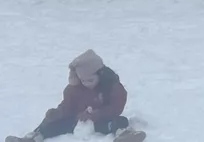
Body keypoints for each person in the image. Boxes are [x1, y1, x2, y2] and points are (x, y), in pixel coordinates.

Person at [5, 50, 145, 142]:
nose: (86, 84)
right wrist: (57, 113)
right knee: (53, 122)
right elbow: (67, 106)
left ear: (100, 74)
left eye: (90, 80)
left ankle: (124, 135)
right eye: (83, 81)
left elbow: (115, 107)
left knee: (120, 120)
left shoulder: (112, 87)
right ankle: (33, 137)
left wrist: (96, 114)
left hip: (101, 121)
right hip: (76, 121)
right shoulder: (74, 89)